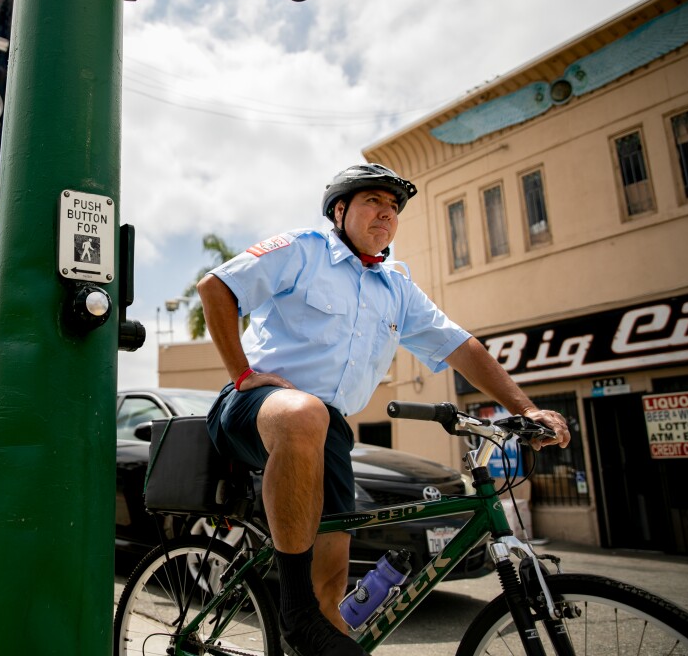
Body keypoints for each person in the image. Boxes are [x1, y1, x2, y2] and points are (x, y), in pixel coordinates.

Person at [196, 163, 571, 656]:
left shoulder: (396, 287)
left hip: (326, 430)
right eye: (373, 201)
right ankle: (292, 607)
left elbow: (462, 347)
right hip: (255, 408)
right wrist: (243, 375)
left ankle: (309, 627)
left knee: (331, 584)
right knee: (302, 413)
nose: (386, 213)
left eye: (393, 208)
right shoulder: (304, 249)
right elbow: (215, 287)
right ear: (340, 209)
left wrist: (527, 408)